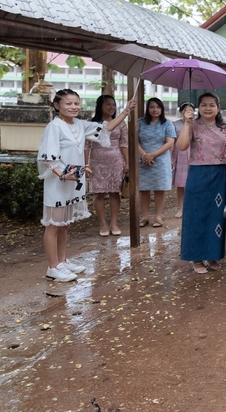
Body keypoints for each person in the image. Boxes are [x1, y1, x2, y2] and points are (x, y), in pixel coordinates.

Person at [37, 89, 135, 281]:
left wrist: (125, 111)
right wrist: (64, 174)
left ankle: (63, 261)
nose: (73, 107)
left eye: (76, 103)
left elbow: (106, 129)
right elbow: (48, 157)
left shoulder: (80, 125)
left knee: (64, 225)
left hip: (73, 182)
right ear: (57, 106)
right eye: (68, 103)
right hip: (58, 183)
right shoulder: (54, 127)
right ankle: (52, 267)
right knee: (53, 225)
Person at [177, 92, 226, 274]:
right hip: (197, 174)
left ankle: (213, 254)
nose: (208, 108)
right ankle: (196, 257)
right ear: (198, 108)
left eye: (212, 105)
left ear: (218, 108)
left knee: (216, 216)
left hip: (218, 174)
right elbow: (182, 146)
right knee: (195, 215)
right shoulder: (192, 125)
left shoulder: (225, 127)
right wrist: (186, 122)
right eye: (204, 105)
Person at [87, 94, 129, 237]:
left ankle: (114, 223)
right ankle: (103, 224)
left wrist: (127, 162)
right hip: (96, 162)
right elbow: (86, 146)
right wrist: (85, 164)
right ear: (100, 106)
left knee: (114, 192)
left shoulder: (121, 123)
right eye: (108, 104)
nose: (111, 107)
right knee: (98, 193)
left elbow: (124, 144)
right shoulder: (91, 123)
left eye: (113, 104)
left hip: (116, 160)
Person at [136, 97, 176, 227]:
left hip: (161, 160)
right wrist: (144, 155)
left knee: (160, 189)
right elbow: (134, 141)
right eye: (152, 107)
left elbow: (170, 142)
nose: (155, 110)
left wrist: (152, 155)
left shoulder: (167, 123)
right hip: (143, 159)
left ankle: (158, 216)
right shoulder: (140, 122)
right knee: (144, 189)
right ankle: (145, 217)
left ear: (162, 109)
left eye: (158, 107)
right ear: (147, 109)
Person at [171, 102, 194, 218]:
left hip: (193, 155)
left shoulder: (196, 124)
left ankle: (191, 207)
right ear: (181, 112)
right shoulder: (175, 124)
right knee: (181, 184)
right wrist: (171, 158)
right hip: (180, 154)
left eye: (191, 110)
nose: (189, 112)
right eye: (186, 110)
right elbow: (172, 142)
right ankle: (181, 208)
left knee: (192, 183)